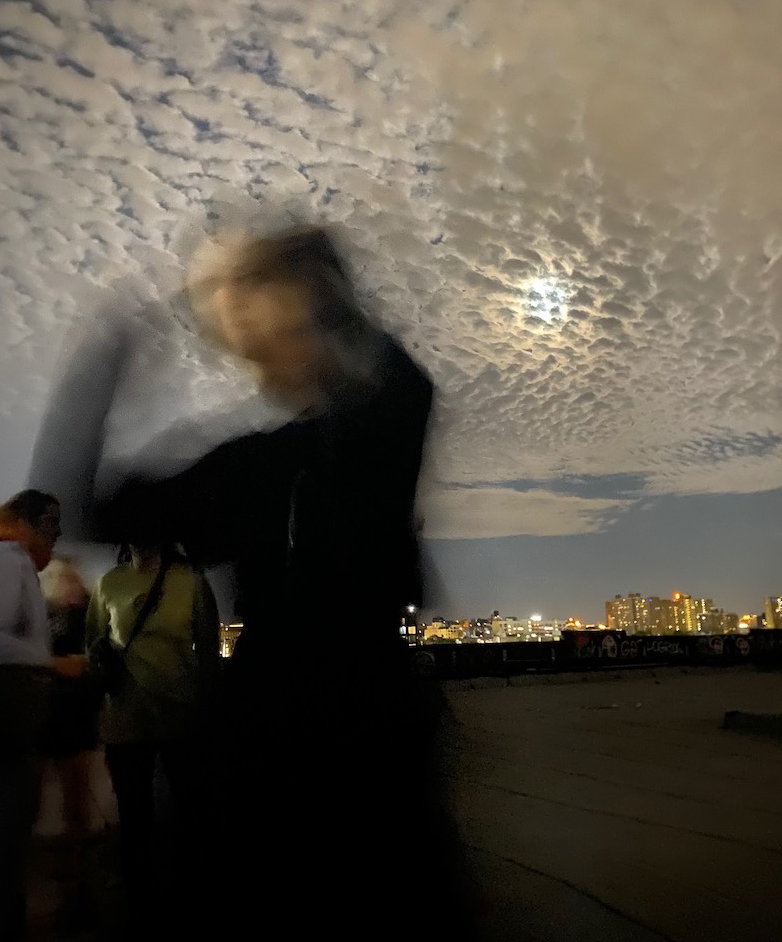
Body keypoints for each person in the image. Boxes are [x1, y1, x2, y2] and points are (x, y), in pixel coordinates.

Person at [28, 221, 479, 933]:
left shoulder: (369, 433)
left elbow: (396, 382)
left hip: (348, 743)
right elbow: (77, 506)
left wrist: (300, 289)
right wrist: (110, 353)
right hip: (291, 747)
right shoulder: (255, 466)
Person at [85, 540, 223, 934]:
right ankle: (141, 905)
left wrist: (209, 709)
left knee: (186, 813)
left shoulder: (190, 582)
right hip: (127, 719)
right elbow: (94, 643)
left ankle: (180, 898)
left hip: (180, 716)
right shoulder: (109, 583)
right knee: (135, 818)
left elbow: (208, 650)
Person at [0, 489, 83, 941]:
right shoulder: (8, 560)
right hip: (3, 735)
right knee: (2, 850)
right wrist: (52, 663)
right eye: (51, 529)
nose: (55, 541)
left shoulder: (5, 560)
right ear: (29, 525)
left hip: (9, 733)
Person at [37, 555, 101, 931]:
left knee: (72, 801)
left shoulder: (71, 615)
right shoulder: (72, 613)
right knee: (72, 801)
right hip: (64, 717)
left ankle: (74, 876)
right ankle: (75, 878)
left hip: (65, 717)